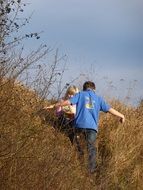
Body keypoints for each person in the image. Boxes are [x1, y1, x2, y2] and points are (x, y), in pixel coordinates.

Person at [52, 81, 125, 174]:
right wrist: (121, 115)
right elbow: (110, 109)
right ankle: (91, 171)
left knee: (78, 147)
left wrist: (57, 105)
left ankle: (79, 165)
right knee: (91, 149)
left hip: (78, 125)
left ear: (84, 88)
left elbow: (68, 102)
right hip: (92, 128)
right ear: (94, 89)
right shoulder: (98, 98)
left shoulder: (80, 94)